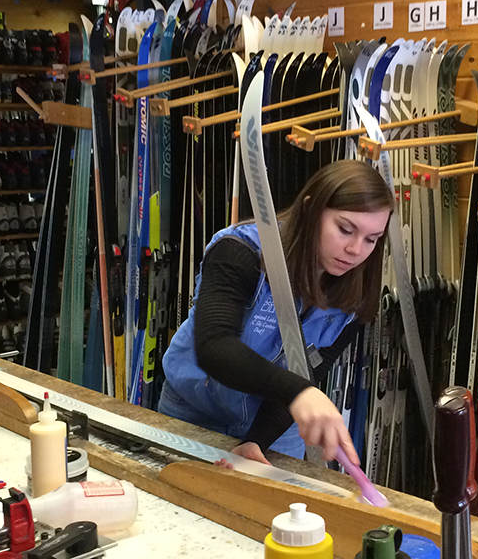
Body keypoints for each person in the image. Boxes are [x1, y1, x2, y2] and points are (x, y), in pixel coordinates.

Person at [158, 160, 393, 466]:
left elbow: (308, 370)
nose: (356, 250)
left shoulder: (356, 296)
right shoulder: (239, 250)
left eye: (371, 239)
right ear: (310, 209)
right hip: (193, 411)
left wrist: (258, 440)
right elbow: (214, 347)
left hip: (275, 427)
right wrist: (300, 393)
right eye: (345, 229)